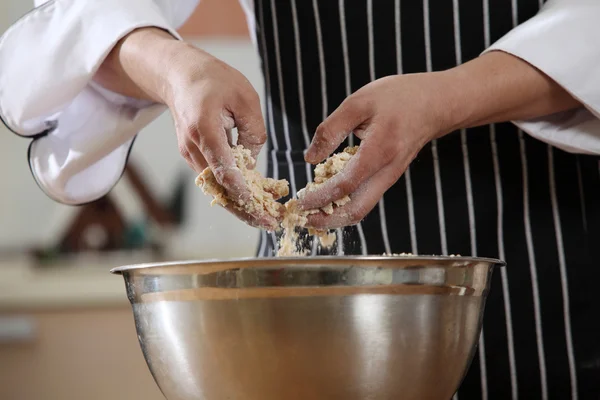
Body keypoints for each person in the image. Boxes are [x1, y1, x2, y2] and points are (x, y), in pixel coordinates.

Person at [1, 0, 599, 398]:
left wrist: (449, 97)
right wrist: (175, 67)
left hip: (552, 279)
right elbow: (84, 21)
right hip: (300, 296)